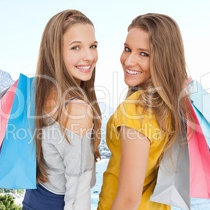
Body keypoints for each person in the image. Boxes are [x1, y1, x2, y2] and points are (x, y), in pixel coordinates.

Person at [97, 13, 192, 210]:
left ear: (163, 59)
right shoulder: (171, 106)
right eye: (127, 49)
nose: (129, 61)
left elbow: (128, 199)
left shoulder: (134, 110)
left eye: (144, 54)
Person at [22, 9, 102, 210]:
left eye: (92, 46)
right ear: (55, 53)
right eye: (76, 47)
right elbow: (77, 199)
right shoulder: (77, 109)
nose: (89, 56)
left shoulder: (33, 93)